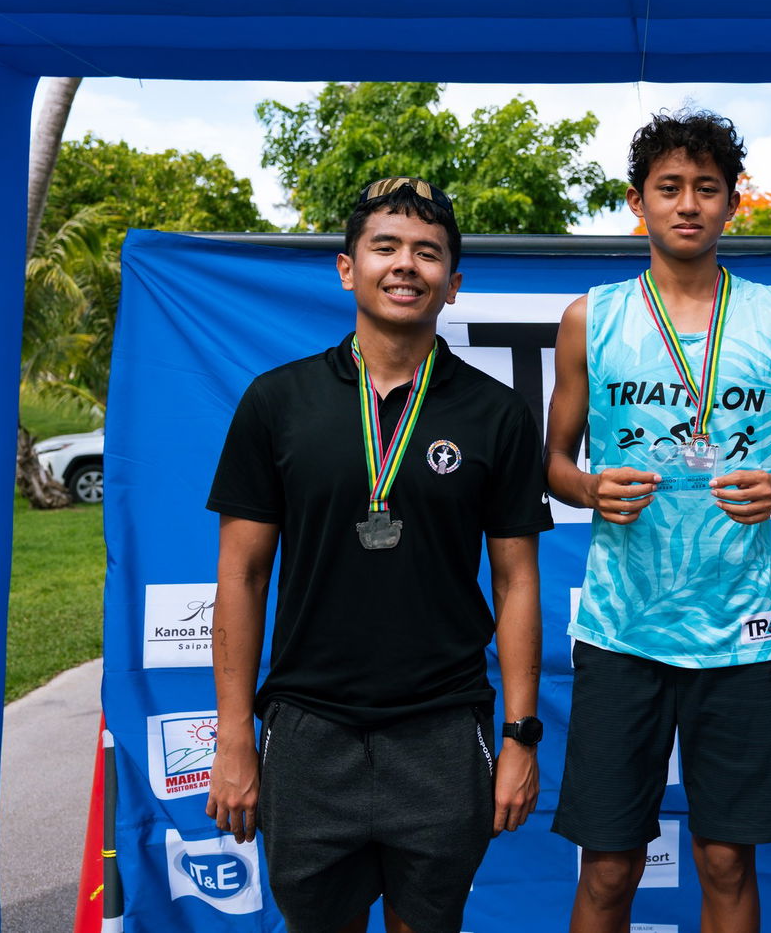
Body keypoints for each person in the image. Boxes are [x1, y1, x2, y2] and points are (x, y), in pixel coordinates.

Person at [204, 177, 551, 933]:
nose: (405, 265)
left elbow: (518, 581)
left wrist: (521, 737)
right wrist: (233, 735)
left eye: (428, 253)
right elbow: (242, 574)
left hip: (443, 731)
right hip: (307, 732)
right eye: (385, 246)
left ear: (452, 284)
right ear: (347, 267)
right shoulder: (277, 402)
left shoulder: (496, 414)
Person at [544, 110, 771, 933]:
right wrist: (589, 488)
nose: (688, 204)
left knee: (725, 858)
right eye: (669, 187)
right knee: (608, 864)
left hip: (736, 632)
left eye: (707, 188)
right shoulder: (589, 318)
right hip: (620, 629)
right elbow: (553, 463)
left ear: (731, 204)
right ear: (638, 202)